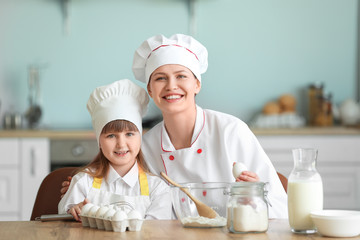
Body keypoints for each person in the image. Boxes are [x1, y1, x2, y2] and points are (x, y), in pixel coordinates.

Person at [62, 34, 288, 218]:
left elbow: (281, 208)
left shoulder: (230, 131)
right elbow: (125, 191)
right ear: (150, 90)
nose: (171, 86)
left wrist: (257, 196)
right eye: (160, 78)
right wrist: (84, 188)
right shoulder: (147, 145)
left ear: (197, 84)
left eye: (181, 76)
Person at [58, 79, 172, 221]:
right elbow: (63, 223)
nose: (121, 144)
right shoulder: (83, 182)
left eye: (129, 134)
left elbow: (156, 232)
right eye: (111, 136)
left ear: (140, 137)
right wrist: (72, 212)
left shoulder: (158, 189)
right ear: (99, 141)